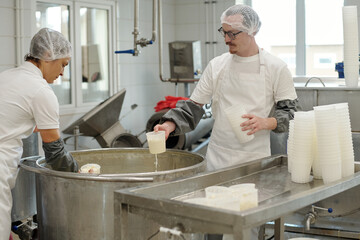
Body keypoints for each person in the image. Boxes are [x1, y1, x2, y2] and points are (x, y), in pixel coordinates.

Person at [155, 4, 300, 172]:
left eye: (232, 34)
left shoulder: (276, 67)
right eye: (224, 32)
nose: (226, 39)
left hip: (254, 158)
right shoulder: (217, 65)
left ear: (251, 31)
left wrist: (265, 122)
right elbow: (193, 106)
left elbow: (291, 113)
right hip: (218, 158)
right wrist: (169, 124)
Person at [0, 28, 78, 240]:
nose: (62, 72)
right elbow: (54, 152)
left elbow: (11, 119)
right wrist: (80, 174)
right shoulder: (41, 91)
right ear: (47, 56)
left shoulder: (6, 76)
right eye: (63, 64)